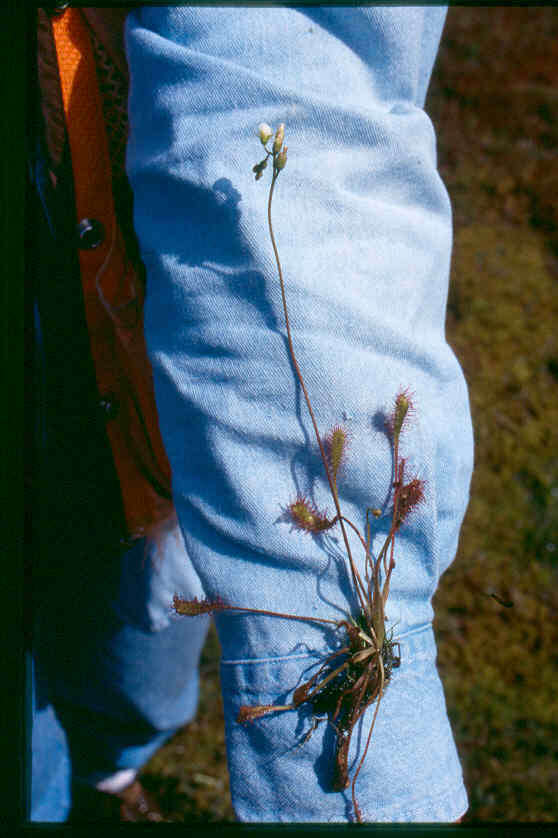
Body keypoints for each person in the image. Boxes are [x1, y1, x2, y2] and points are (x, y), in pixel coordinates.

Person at [30, 4, 473, 823]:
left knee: (139, 671)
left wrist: (339, 666)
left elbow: (291, 101)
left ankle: (109, 767)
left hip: (154, 400)